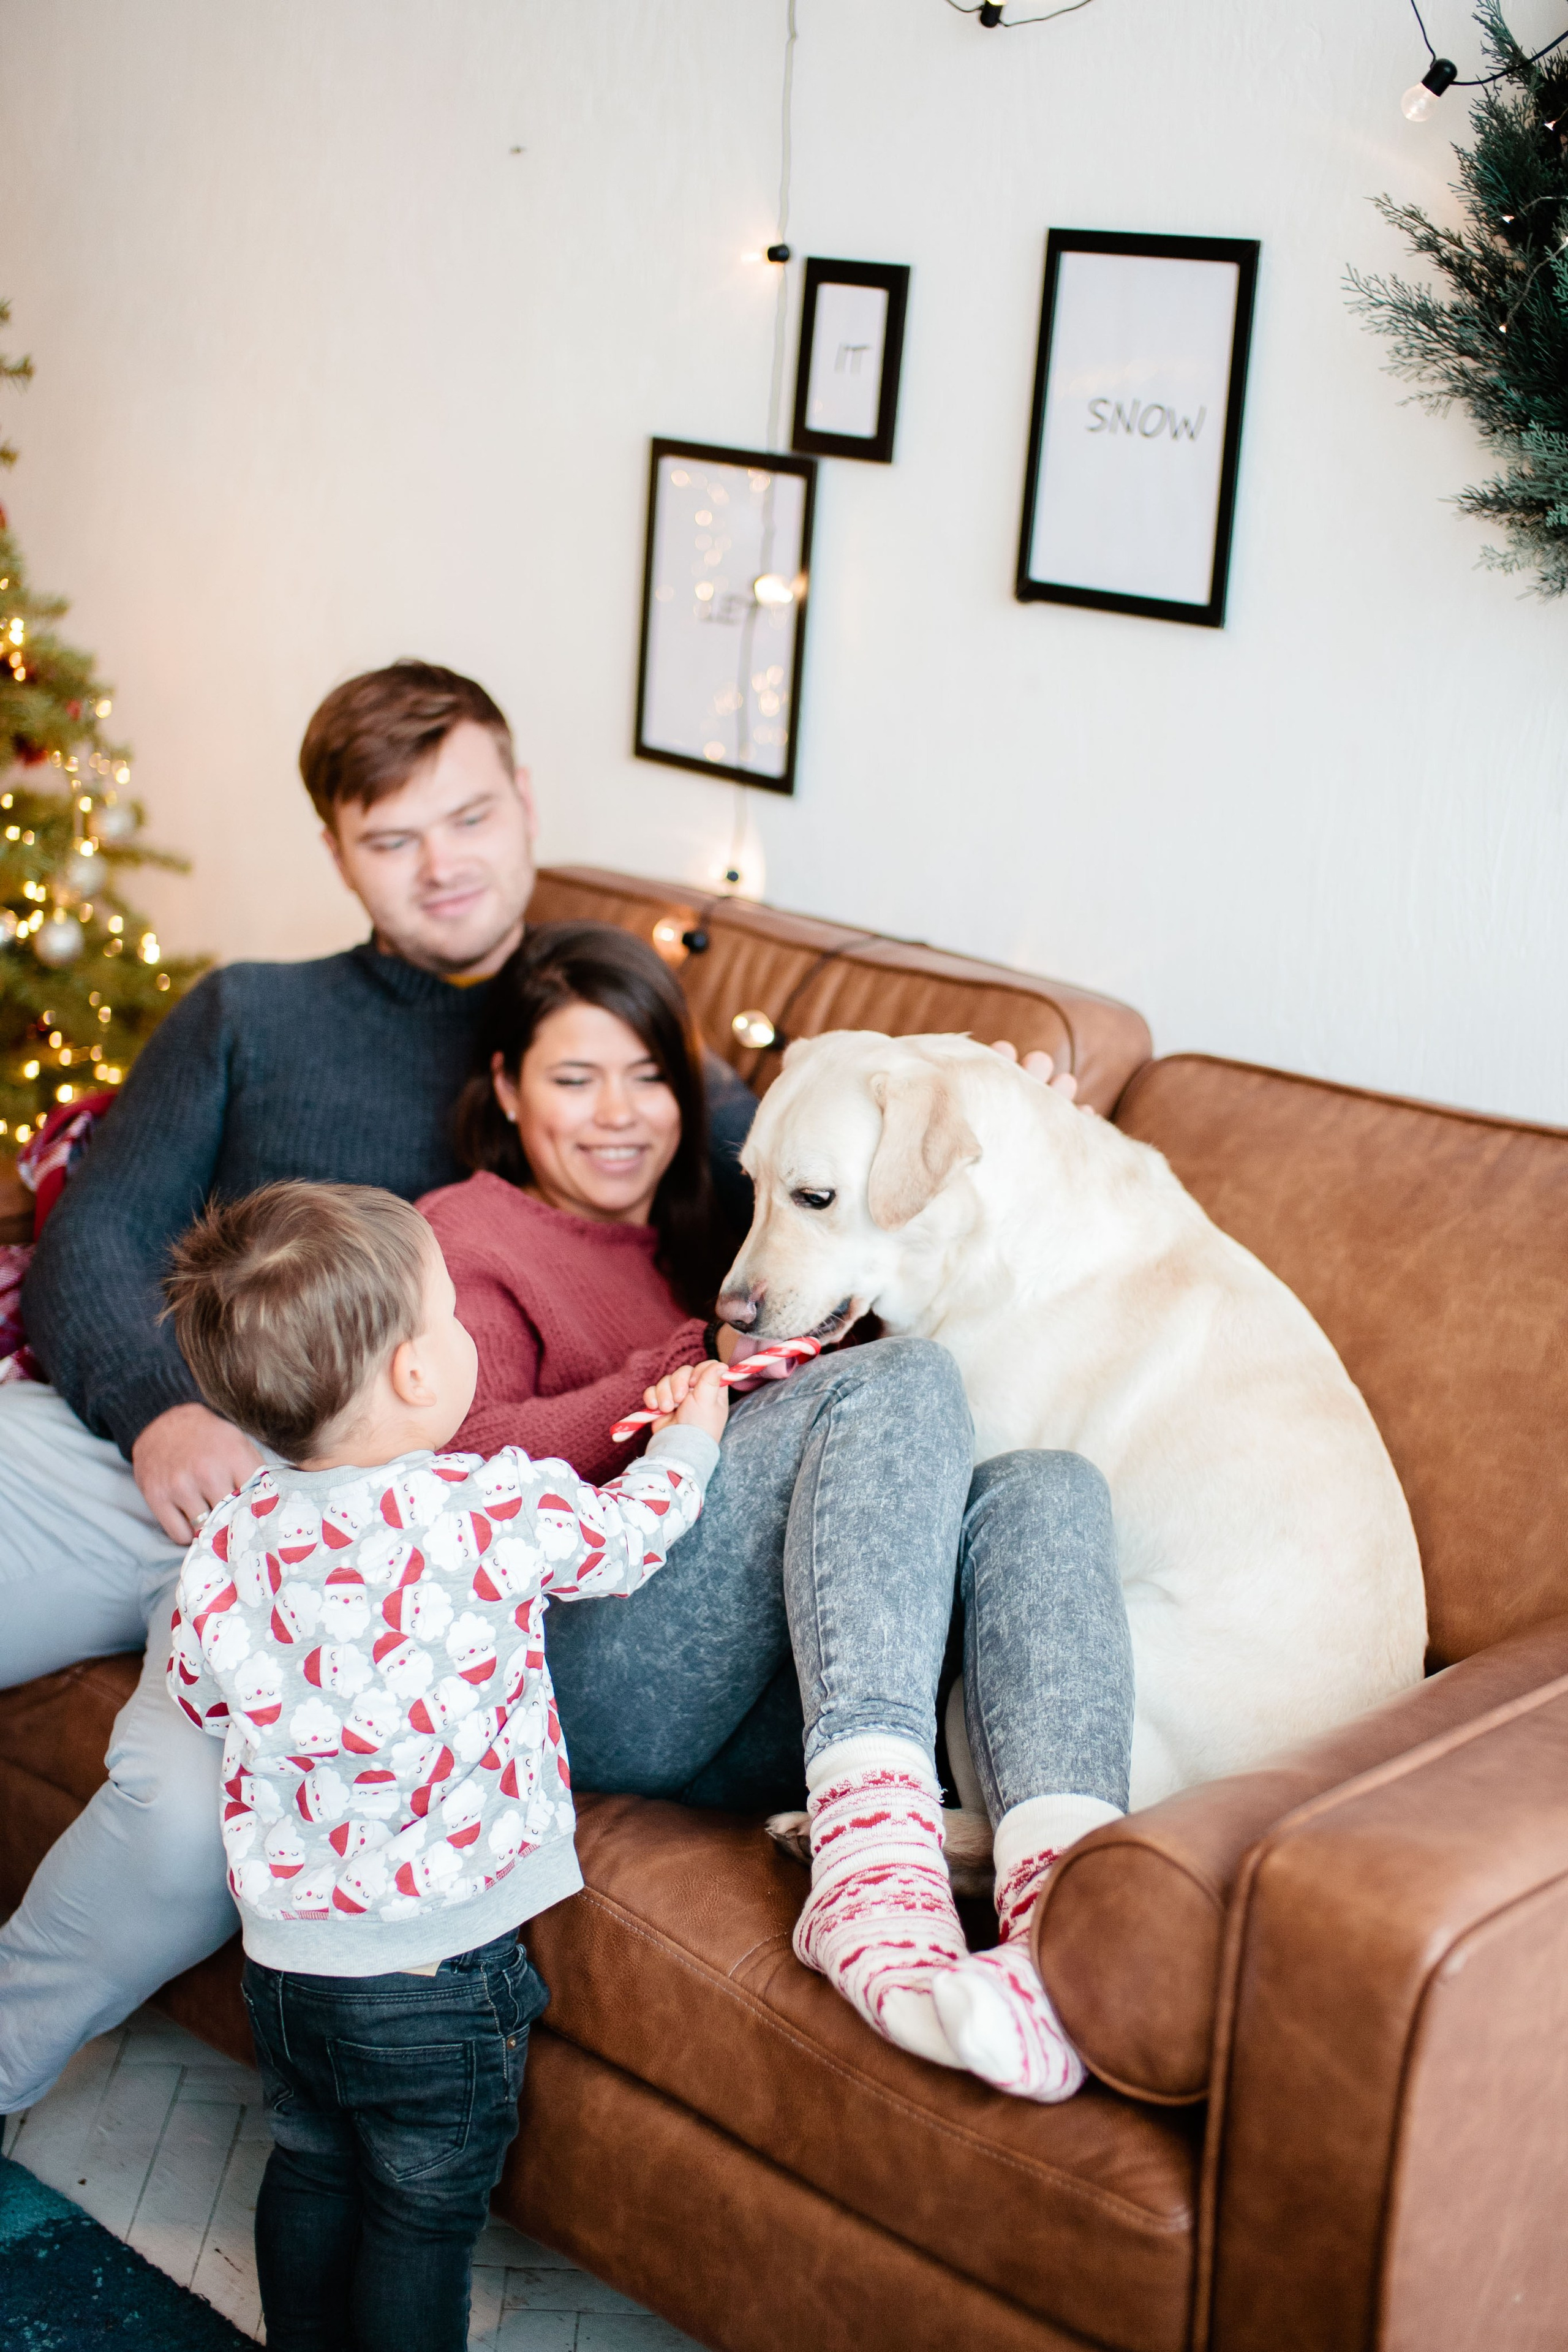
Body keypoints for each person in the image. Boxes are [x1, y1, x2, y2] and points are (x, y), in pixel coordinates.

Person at [0, 659, 753, 2113]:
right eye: (392, 839)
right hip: (132, 1445)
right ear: (339, 853)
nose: (442, 866)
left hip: (338, 1539)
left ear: (525, 801)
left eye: (468, 817)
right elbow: (99, 1228)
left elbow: (778, 1169)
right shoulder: (250, 1013)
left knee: (177, 1831)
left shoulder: (596, 1036)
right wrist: (161, 1407)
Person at [422, 922, 1137, 2098]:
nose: (618, 1113)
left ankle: (1069, 1925)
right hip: (577, 1670)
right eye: (572, 1077)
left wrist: (1011, 1125)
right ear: (505, 1089)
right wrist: (685, 1368)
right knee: (909, 1378)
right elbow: (450, 1457)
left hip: (751, 1678)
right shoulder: (468, 1233)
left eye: (651, 1076)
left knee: (1048, 1484)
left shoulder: (729, 1233)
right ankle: (868, 1870)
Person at [160, 1178, 729, 2352]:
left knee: (313, 2168)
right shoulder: (485, 1504)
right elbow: (631, 1542)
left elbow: (199, 1692)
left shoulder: (229, 1538)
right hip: (439, 1971)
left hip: (288, 1961)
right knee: (423, 2213)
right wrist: (691, 1434)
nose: (468, 1336)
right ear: (418, 1374)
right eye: (454, 1316)